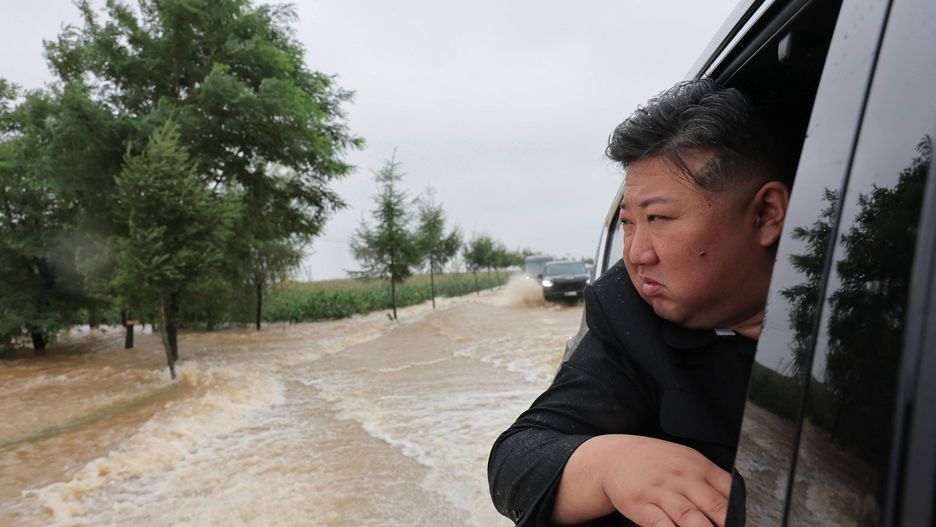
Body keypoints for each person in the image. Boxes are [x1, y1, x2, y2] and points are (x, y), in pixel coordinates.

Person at [487, 78, 791, 527]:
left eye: (659, 218)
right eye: (629, 223)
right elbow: (516, 459)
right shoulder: (628, 313)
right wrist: (608, 464)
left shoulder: (872, 315)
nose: (636, 254)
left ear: (766, 215)